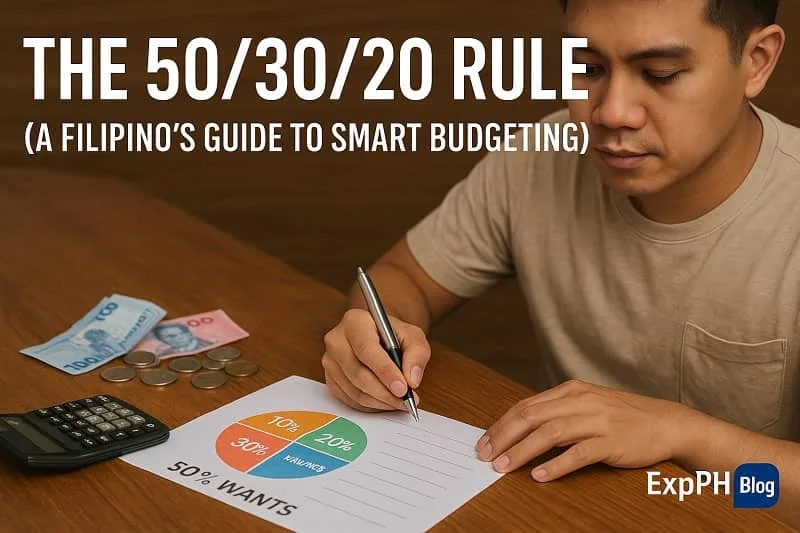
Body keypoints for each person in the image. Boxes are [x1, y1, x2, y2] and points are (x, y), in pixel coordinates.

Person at [321, 0, 800, 527]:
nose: (612, 112)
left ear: (756, 60)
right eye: (588, 68)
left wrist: (686, 434)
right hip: (562, 508)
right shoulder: (538, 160)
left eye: (660, 75)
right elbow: (402, 278)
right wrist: (375, 336)